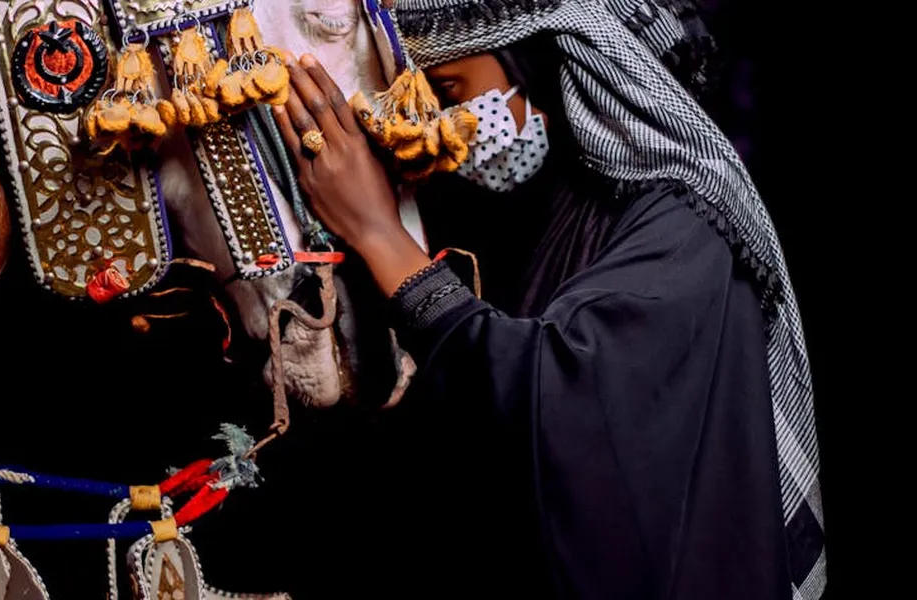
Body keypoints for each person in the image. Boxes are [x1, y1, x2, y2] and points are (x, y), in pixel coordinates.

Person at [267, 0, 825, 598]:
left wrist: (379, 232)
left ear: (538, 58)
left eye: (452, 91)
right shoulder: (557, 208)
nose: (444, 123)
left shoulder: (687, 225)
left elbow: (563, 406)